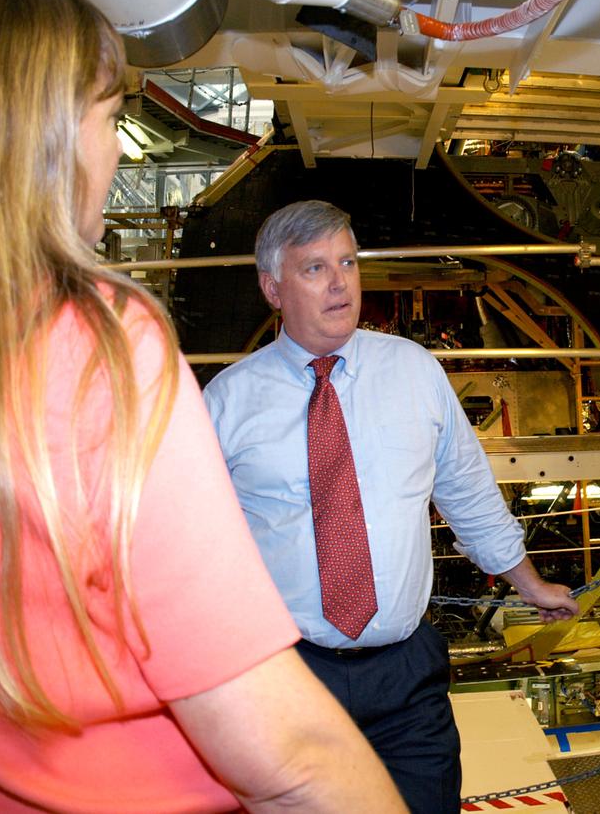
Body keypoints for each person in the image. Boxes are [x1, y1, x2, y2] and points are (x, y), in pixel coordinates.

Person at [0, 0, 403, 814]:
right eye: (109, 121)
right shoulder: (100, 343)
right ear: (56, 137)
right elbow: (284, 751)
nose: (120, 155)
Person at [203, 198, 579, 814]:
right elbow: (198, 542)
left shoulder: (413, 371)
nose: (339, 283)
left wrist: (530, 585)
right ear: (273, 288)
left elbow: (467, 491)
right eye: (315, 268)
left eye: (347, 263)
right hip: (289, 677)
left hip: (407, 677)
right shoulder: (229, 400)